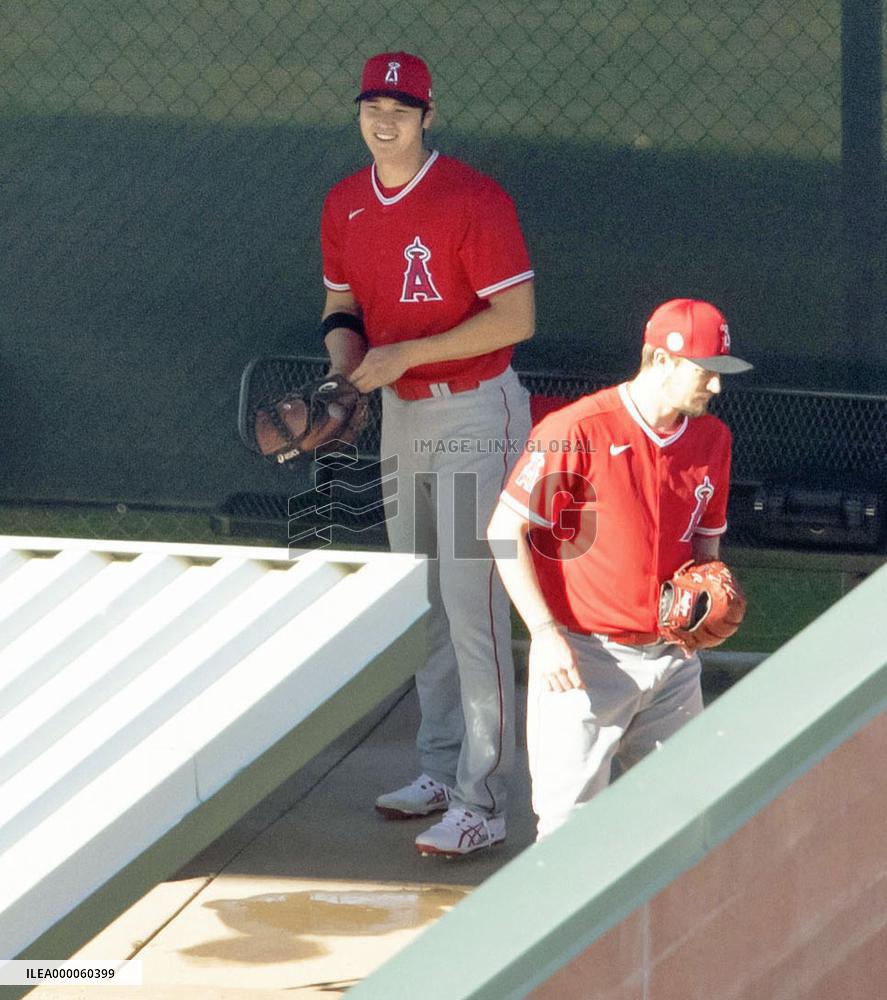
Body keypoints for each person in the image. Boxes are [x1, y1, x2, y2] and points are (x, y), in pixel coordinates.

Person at [319, 51, 535, 856]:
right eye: (372, 104)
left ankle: (484, 799)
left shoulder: (471, 197)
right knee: (425, 604)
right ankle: (439, 771)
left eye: (400, 108)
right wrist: (345, 377)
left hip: (475, 411)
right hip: (402, 419)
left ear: (427, 117)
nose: (384, 119)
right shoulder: (345, 202)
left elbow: (515, 318)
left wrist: (404, 357)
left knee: (472, 608)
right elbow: (341, 304)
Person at [487, 298, 752, 839]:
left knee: (687, 822)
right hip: (582, 662)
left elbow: (707, 545)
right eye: (707, 372)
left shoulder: (712, 440)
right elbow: (501, 531)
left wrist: (707, 601)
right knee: (565, 833)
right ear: (659, 360)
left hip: (672, 660)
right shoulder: (577, 429)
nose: (717, 388)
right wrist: (542, 633)